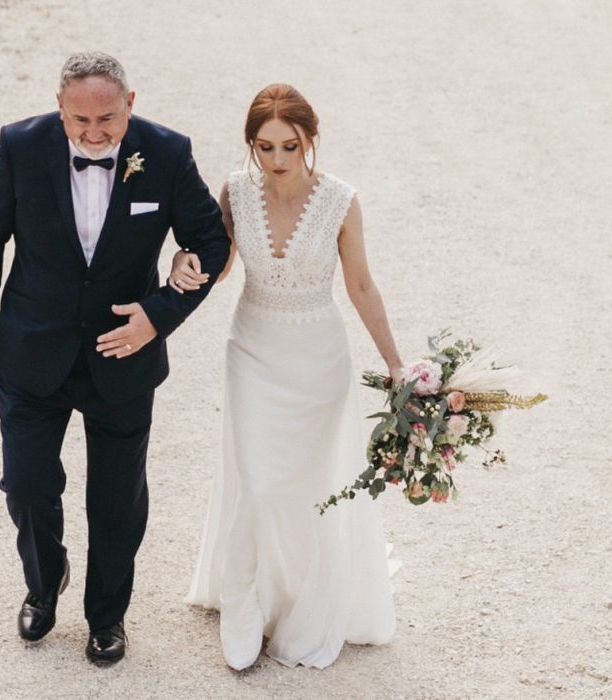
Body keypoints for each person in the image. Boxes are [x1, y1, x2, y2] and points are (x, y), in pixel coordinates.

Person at [0, 51, 230, 666]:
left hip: (122, 358)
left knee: (115, 499)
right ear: (60, 109)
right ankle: (45, 580)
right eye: (80, 120)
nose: (94, 133)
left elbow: (210, 241)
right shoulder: (20, 146)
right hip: (29, 351)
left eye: (107, 118)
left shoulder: (167, 152)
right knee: (27, 485)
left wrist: (158, 315)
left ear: (130, 103)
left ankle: (107, 617)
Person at [175, 84, 404, 669]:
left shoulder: (341, 202)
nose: (277, 160)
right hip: (252, 350)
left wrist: (397, 364)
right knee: (258, 485)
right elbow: (221, 267)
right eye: (265, 146)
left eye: (289, 145)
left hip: (319, 361)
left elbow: (360, 286)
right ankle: (243, 597)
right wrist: (184, 263)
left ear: (310, 140)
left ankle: (296, 599)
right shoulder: (236, 190)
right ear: (251, 146)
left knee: (304, 489)